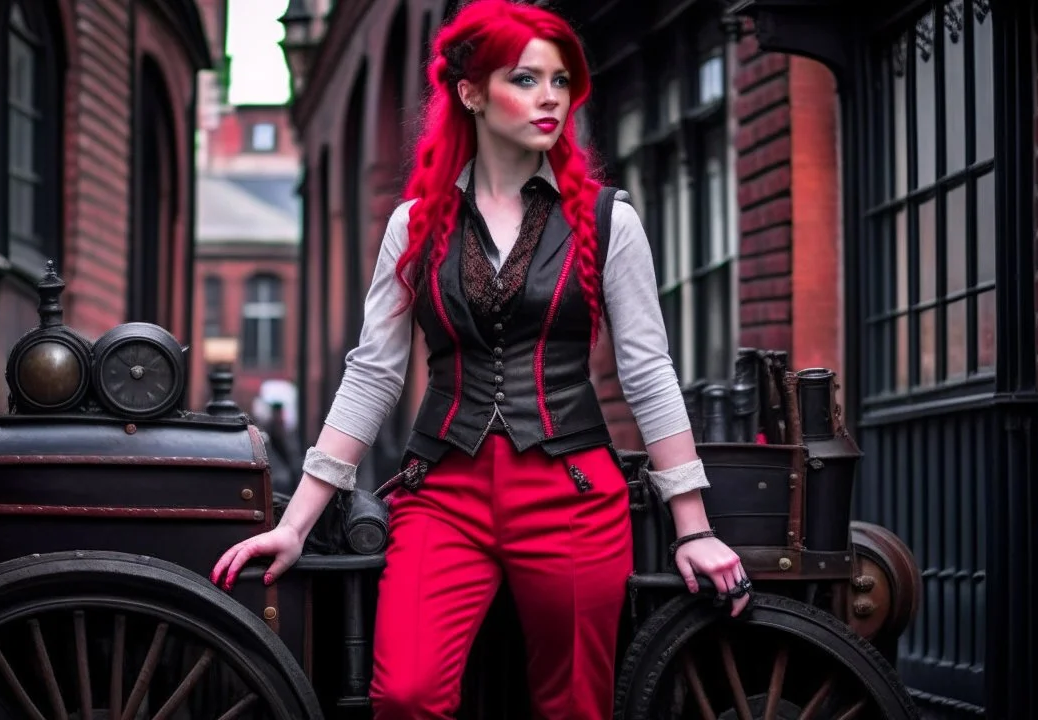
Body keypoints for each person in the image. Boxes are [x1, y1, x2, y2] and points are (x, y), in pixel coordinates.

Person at [211, 1, 751, 716]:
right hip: (444, 494)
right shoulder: (415, 224)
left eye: (560, 81)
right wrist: (297, 522)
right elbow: (374, 372)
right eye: (525, 79)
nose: (549, 97)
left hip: (572, 494)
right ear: (470, 93)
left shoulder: (606, 219)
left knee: (574, 706)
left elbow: (648, 371)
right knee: (406, 694)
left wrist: (694, 525)